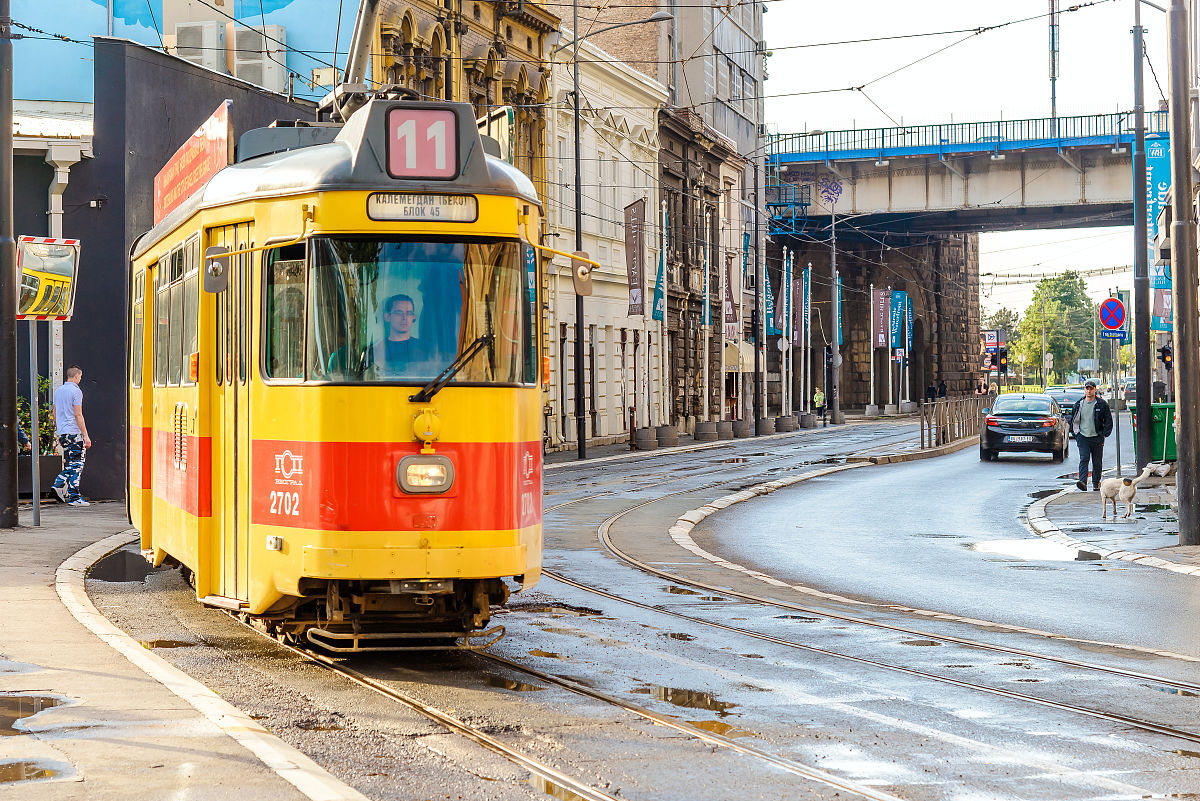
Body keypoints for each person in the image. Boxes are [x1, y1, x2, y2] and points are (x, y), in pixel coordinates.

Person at [51, 365, 91, 507]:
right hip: (74, 432)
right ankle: (72, 496)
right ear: (76, 376)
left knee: (73, 463)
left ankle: (63, 488)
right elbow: (78, 414)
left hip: (63, 432)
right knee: (78, 463)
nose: (80, 379)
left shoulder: (58, 391)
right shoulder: (76, 391)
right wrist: (85, 435)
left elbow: (54, 413)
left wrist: (58, 432)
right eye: (80, 376)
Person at [1069, 379, 1113, 491]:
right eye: (1087, 388)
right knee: (1084, 458)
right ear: (1084, 390)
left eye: (1091, 389)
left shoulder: (1101, 404)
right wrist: (1076, 434)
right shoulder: (1079, 404)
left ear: (1095, 390)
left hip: (1097, 437)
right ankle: (1083, 482)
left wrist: (1104, 434)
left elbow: (1108, 420)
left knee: (1097, 461)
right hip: (1083, 437)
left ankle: (1095, 483)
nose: (1089, 391)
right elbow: (1073, 419)